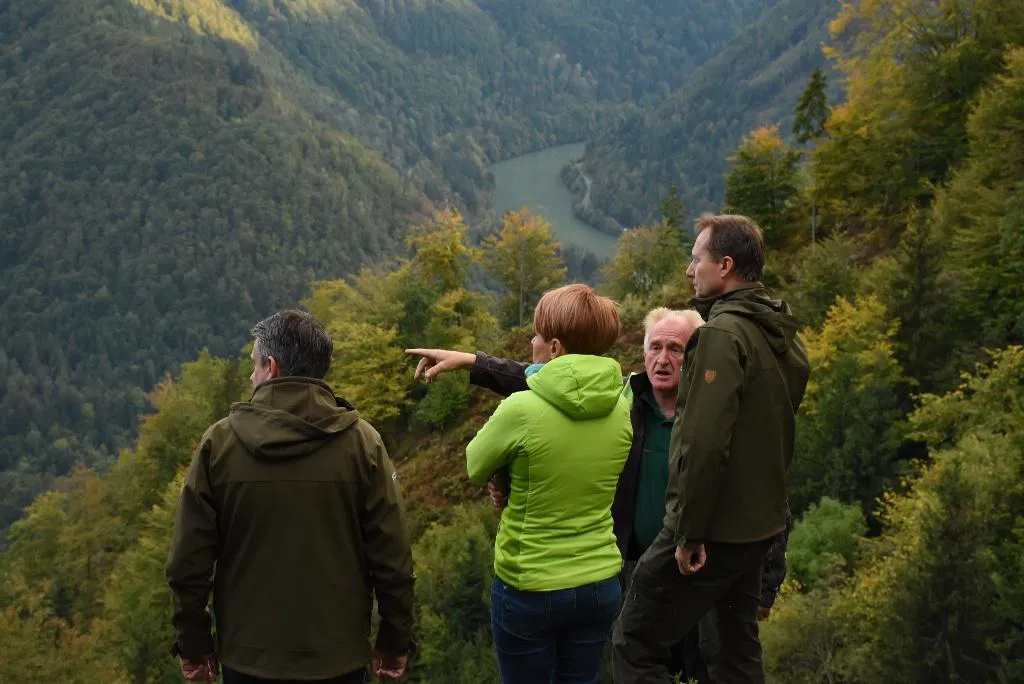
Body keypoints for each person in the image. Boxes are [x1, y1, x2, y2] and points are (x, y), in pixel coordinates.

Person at [408, 306, 791, 683]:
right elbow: (550, 384)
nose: (662, 359)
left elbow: (767, 498)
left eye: (675, 349)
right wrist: (473, 363)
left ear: (697, 356)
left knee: (712, 666)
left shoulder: (720, 422)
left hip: (701, 576)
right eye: (654, 347)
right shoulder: (623, 404)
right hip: (633, 575)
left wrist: (766, 585)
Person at [611, 214, 810, 684]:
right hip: (756, 529)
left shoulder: (721, 336)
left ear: (725, 265)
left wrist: (689, 532)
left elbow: (702, 443)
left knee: (634, 643)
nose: (689, 270)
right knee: (734, 654)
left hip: (714, 529)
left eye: (696, 259)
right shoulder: (778, 333)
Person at [166, 310, 415, 683]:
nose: (251, 377)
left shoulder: (219, 445)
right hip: (338, 660)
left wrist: (195, 644)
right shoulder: (363, 444)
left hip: (248, 660)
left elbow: (188, 563)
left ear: (271, 366)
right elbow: (393, 559)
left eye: (254, 365)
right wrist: (394, 641)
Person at [459, 284, 633, 683]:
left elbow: (474, 465)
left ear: (554, 348)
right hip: (599, 582)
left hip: (530, 583)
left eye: (536, 336)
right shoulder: (621, 408)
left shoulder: (521, 407)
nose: (531, 343)